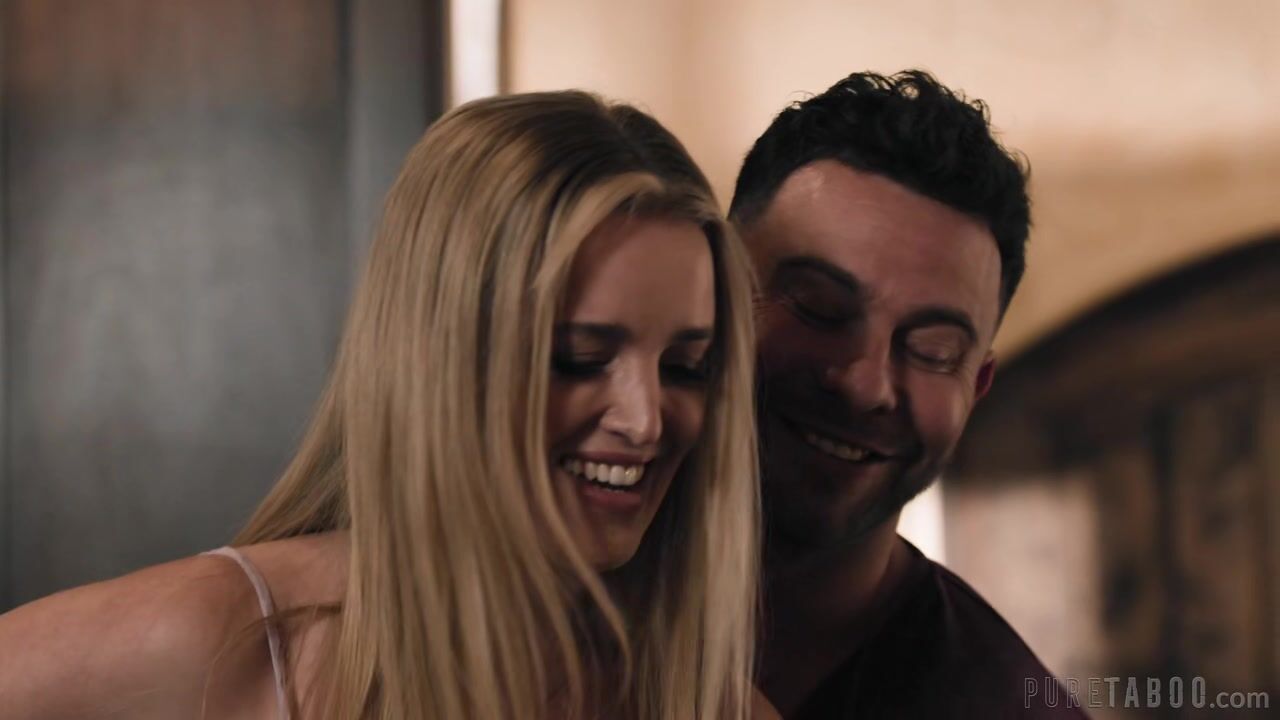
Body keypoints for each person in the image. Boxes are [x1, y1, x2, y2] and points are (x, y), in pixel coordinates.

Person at [0, 91, 763, 719]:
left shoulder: (700, 700)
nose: (645, 419)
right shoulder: (225, 637)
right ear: (444, 356)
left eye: (686, 369)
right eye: (579, 359)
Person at [731, 71, 1087, 718]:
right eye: (819, 307)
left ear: (976, 387)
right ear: (714, 290)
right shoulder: (556, 588)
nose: (867, 384)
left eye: (933, 351)